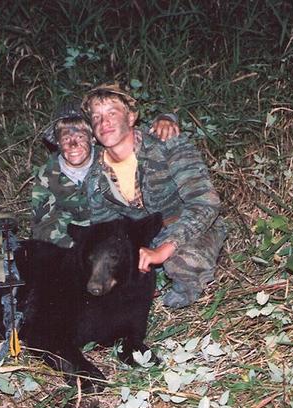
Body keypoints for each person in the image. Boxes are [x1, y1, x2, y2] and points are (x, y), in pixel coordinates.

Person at [81, 83, 226, 308]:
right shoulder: (95, 177)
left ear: (131, 118)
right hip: (143, 239)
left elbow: (205, 203)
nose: (104, 122)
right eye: (97, 117)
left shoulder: (167, 144)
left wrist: (163, 250)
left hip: (189, 226)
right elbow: (107, 230)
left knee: (181, 264)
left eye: (112, 113)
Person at [31, 101, 180, 248]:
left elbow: (136, 133)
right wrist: (76, 248)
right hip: (73, 244)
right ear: (57, 142)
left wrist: (165, 120)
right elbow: (42, 226)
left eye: (80, 137)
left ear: (93, 138)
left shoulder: (109, 158)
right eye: (65, 139)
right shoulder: (47, 175)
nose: (73, 145)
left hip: (119, 236)